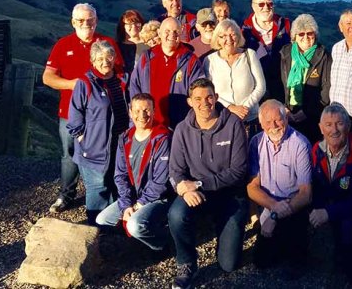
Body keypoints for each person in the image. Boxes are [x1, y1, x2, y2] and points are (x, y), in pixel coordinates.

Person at [168, 78, 249, 289]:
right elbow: (176, 170)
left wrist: (199, 184)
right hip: (197, 193)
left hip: (230, 194)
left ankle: (225, 235)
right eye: (198, 99)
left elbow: (238, 172)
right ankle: (186, 262)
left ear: (216, 97)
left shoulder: (233, 124)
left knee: (228, 264)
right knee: (176, 214)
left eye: (209, 97)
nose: (205, 103)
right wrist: (183, 188)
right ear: (189, 102)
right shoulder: (182, 130)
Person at [43, 3, 123, 214]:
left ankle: (103, 196)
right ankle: (66, 195)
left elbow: (120, 75)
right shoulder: (63, 45)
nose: (85, 24)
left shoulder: (107, 43)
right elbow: (48, 77)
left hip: (103, 114)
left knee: (106, 152)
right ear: (73, 22)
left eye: (90, 20)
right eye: (80, 20)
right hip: (70, 113)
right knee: (69, 154)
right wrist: (77, 85)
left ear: (96, 21)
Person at [309, 104, 352, 286]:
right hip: (330, 206)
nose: (334, 130)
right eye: (328, 124)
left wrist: (329, 213)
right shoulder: (316, 150)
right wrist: (317, 209)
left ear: (348, 126)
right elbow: (316, 186)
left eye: (339, 124)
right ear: (320, 128)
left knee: (350, 226)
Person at [96, 93, 173, 250]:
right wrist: (126, 205)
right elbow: (120, 175)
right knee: (102, 220)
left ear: (154, 111)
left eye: (147, 110)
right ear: (130, 113)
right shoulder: (125, 138)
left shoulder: (163, 138)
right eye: (137, 111)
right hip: (133, 197)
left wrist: (137, 206)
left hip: (158, 198)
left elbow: (160, 182)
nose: (142, 115)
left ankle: (162, 243)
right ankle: (137, 240)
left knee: (135, 225)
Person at [66, 40, 129, 224]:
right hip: (94, 146)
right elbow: (75, 113)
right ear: (93, 61)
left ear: (114, 57)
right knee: (98, 186)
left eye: (109, 56)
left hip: (120, 143)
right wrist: (81, 135)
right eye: (100, 58)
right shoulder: (85, 83)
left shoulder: (123, 79)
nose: (105, 62)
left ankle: (112, 224)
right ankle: (94, 228)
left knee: (117, 182)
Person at [247, 100, 312, 276]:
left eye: (278, 120)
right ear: (261, 123)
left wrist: (275, 215)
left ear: (286, 118)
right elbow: (252, 187)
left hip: (293, 205)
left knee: (296, 262)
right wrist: (272, 207)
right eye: (268, 122)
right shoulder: (256, 142)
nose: (274, 126)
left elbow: (305, 194)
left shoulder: (300, 143)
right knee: (261, 261)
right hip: (270, 205)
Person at [129, 17, 205, 129]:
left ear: (182, 31)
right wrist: (135, 121)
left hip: (179, 127)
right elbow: (135, 89)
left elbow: (199, 93)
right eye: (167, 31)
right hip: (149, 125)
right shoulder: (147, 58)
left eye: (176, 31)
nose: (172, 35)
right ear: (159, 33)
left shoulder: (190, 61)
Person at [204, 18, 266, 131]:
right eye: (223, 36)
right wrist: (230, 108)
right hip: (223, 120)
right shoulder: (209, 60)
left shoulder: (250, 55)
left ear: (238, 36)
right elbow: (209, 91)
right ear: (217, 39)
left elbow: (261, 87)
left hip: (251, 119)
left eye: (233, 35)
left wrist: (245, 107)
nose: (229, 39)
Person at [280, 14, 332, 144]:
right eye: (301, 34)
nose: (306, 37)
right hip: (287, 112)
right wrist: (282, 109)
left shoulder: (323, 56)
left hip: (312, 116)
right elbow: (278, 83)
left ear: (315, 34)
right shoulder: (285, 53)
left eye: (310, 33)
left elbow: (326, 90)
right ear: (294, 37)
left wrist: (304, 114)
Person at [241, 0, 291, 102]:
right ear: (253, 7)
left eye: (270, 4)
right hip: (257, 90)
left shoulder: (286, 26)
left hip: (284, 87)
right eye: (261, 4)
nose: (266, 7)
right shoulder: (244, 32)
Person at [115, 9, 148, 81]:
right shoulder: (116, 47)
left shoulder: (148, 46)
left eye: (137, 23)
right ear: (123, 26)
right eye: (129, 24)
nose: (134, 26)